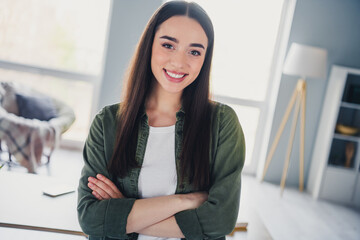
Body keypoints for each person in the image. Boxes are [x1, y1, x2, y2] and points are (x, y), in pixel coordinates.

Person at [77, 1, 245, 240]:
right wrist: (185, 201)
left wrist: (122, 212)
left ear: (205, 59)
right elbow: (91, 219)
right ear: (149, 46)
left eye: (194, 51)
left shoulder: (222, 124)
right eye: (168, 45)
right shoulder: (108, 123)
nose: (179, 62)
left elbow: (220, 221)